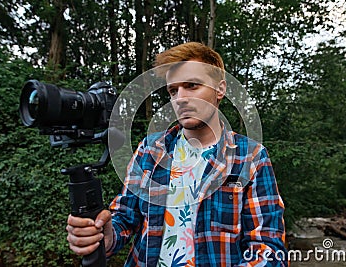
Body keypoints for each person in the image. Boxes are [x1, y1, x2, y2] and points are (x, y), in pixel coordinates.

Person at [66, 42, 288, 266]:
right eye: (173, 90)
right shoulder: (151, 150)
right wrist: (104, 236)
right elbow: (124, 217)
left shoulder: (250, 157)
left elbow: (267, 248)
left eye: (192, 85)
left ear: (220, 89)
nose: (180, 98)